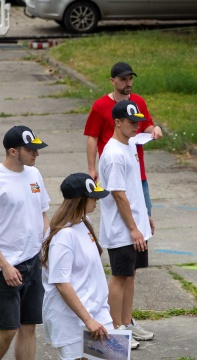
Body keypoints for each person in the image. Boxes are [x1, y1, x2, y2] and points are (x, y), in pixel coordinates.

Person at [41, 173, 118, 358]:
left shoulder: (85, 221)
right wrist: (88, 320)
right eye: (93, 197)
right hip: (72, 320)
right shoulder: (64, 236)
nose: (96, 201)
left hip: (97, 312)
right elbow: (61, 283)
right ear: (81, 200)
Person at [99, 100, 155, 345]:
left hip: (135, 226)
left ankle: (127, 322)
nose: (136, 126)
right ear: (117, 122)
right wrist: (133, 228)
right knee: (119, 277)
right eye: (131, 122)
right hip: (122, 229)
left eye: (138, 122)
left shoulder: (130, 145)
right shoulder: (112, 155)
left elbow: (133, 187)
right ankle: (115, 329)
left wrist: (144, 218)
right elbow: (118, 194)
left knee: (130, 275)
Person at [84, 61, 163, 215]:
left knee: (145, 215)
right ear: (112, 81)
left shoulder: (138, 101)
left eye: (130, 79)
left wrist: (155, 129)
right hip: (115, 168)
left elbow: (146, 125)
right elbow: (92, 138)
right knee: (118, 215)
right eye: (123, 79)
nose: (128, 83)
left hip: (137, 171)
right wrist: (92, 168)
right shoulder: (100, 106)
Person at [0, 125, 50, 360]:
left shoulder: (34, 174)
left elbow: (43, 212)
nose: (36, 154)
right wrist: (5, 266)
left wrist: (46, 248)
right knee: (8, 330)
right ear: (12, 151)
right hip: (7, 267)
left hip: (33, 262)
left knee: (29, 326)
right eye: (31, 150)